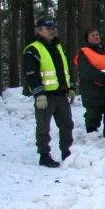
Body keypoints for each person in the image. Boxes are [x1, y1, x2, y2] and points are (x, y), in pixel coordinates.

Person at [22, 16, 74, 167]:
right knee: (43, 126)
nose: (52, 31)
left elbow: (65, 70)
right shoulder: (32, 50)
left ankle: (67, 152)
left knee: (67, 125)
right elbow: (31, 74)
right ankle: (44, 155)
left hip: (61, 94)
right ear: (39, 30)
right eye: (48, 29)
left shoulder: (58, 47)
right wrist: (39, 94)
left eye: (53, 28)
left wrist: (70, 87)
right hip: (45, 96)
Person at [74, 27, 105, 138]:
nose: (96, 37)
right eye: (93, 35)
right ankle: (92, 139)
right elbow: (87, 71)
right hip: (92, 91)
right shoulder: (84, 53)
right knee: (93, 116)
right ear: (87, 39)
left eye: (97, 34)